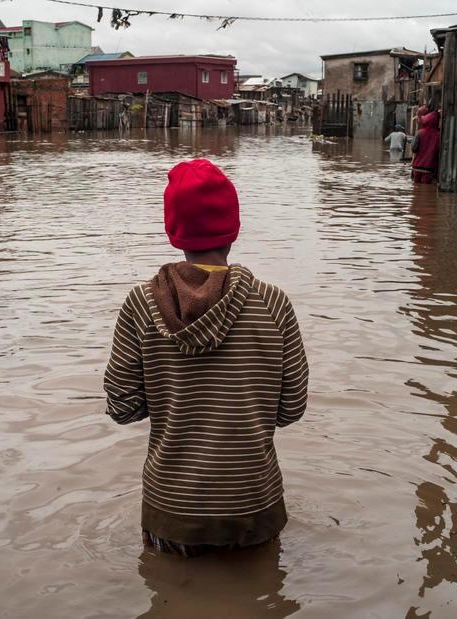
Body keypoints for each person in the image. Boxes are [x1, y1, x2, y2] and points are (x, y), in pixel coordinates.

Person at [103, 158, 309, 558]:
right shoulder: (273, 303)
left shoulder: (140, 304)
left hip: (172, 510)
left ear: (174, 230)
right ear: (234, 228)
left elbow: (122, 408)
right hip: (255, 507)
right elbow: (291, 410)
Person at [412, 109, 441, 184]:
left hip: (417, 166)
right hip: (429, 167)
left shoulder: (419, 132)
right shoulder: (438, 135)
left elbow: (414, 148)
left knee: (416, 189)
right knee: (425, 187)